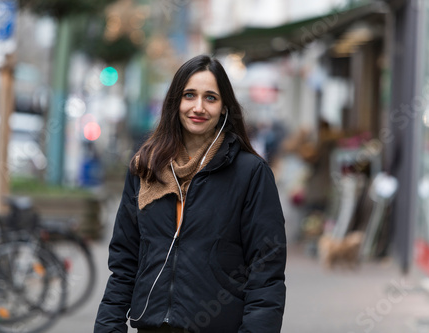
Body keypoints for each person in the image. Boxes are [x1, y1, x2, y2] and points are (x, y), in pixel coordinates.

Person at [94, 55, 287, 333]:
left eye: (210, 98)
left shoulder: (250, 173)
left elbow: (266, 270)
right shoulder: (146, 167)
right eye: (189, 95)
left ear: (224, 108)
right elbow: (124, 262)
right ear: (176, 102)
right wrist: (108, 327)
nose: (198, 107)